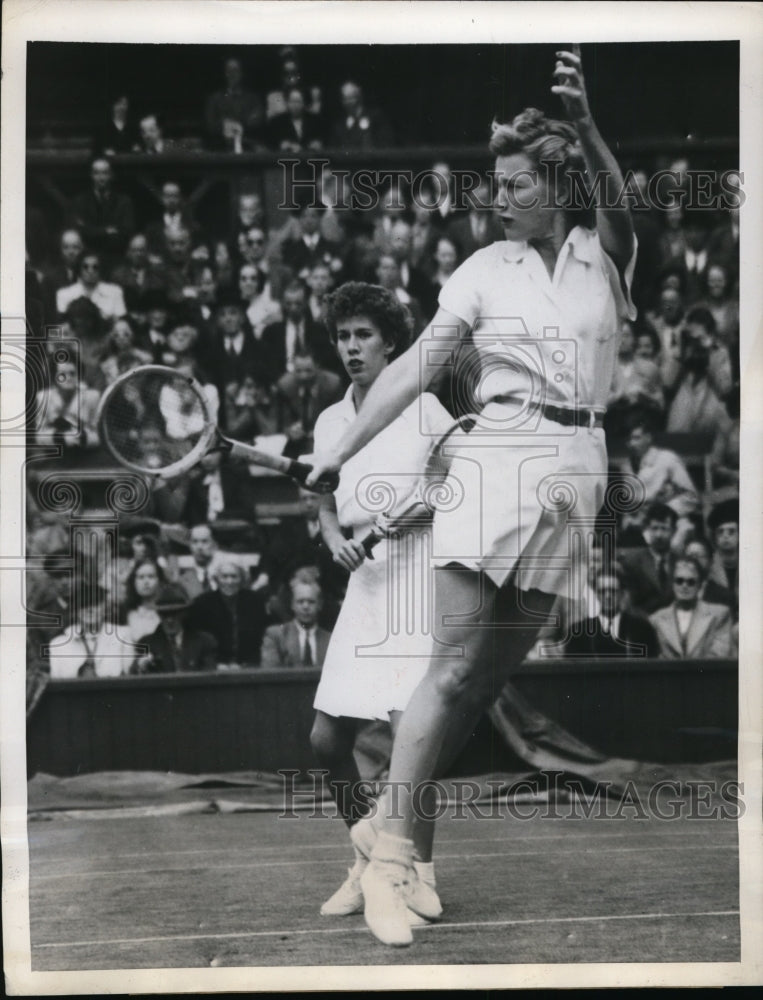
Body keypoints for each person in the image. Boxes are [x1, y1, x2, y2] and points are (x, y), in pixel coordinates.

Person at [308, 46, 636, 946]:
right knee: (449, 671)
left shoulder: (603, 253)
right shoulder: (482, 268)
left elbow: (618, 201)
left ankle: (393, 836)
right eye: (494, 182)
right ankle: (386, 865)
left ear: (554, 182)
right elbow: (415, 366)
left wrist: (588, 119)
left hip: (579, 466)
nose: (497, 195)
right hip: (499, 453)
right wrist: (341, 447)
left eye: (513, 182)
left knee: (486, 680)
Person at [308, 281, 452, 926]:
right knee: (323, 739)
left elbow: (458, 484)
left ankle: (418, 873)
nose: (352, 347)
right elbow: (321, 498)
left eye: (364, 334)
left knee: (406, 737)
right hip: (363, 586)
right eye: (343, 336)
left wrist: (411, 514)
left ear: (392, 341)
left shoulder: (423, 409)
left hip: (417, 584)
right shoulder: (330, 421)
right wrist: (337, 537)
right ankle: (366, 859)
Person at [649, 556, 734, 659]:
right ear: (672, 584)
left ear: (700, 585)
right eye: (679, 581)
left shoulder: (719, 615)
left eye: (691, 582)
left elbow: (719, 656)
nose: (684, 586)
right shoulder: (656, 619)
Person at [564, 566, 660, 658]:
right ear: (596, 594)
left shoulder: (642, 629)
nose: (608, 596)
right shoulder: (579, 631)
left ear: (622, 593)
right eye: (603, 591)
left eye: (613, 591)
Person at [49, 586, 133, 679]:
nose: (89, 610)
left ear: (106, 609)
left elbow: (129, 676)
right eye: (83, 605)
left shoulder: (123, 635)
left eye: (95, 604)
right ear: (76, 611)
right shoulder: (58, 644)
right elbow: (56, 685)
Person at [132, 585, 218, 674]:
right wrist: (140, 666)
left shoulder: (205, 642)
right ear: (158, 614)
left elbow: (209, 675)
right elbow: (134, 676)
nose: (170, 620)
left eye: (175, 613)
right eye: (164, 614)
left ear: (185, 613)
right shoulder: (146, 644)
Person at [260, 579, 331, 668]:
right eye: (300, 601)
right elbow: (269, 674)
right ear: (292, 604)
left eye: (311, 602)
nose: (305, 607)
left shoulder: (330, 639)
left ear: (320, 605)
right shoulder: (277, 636)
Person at [119, 557, 168, 644]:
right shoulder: (124, 613)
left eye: (151, 576)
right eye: (141, 577)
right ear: (134, 581)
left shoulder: (168, 612)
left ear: (160, 580)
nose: (146, 582)